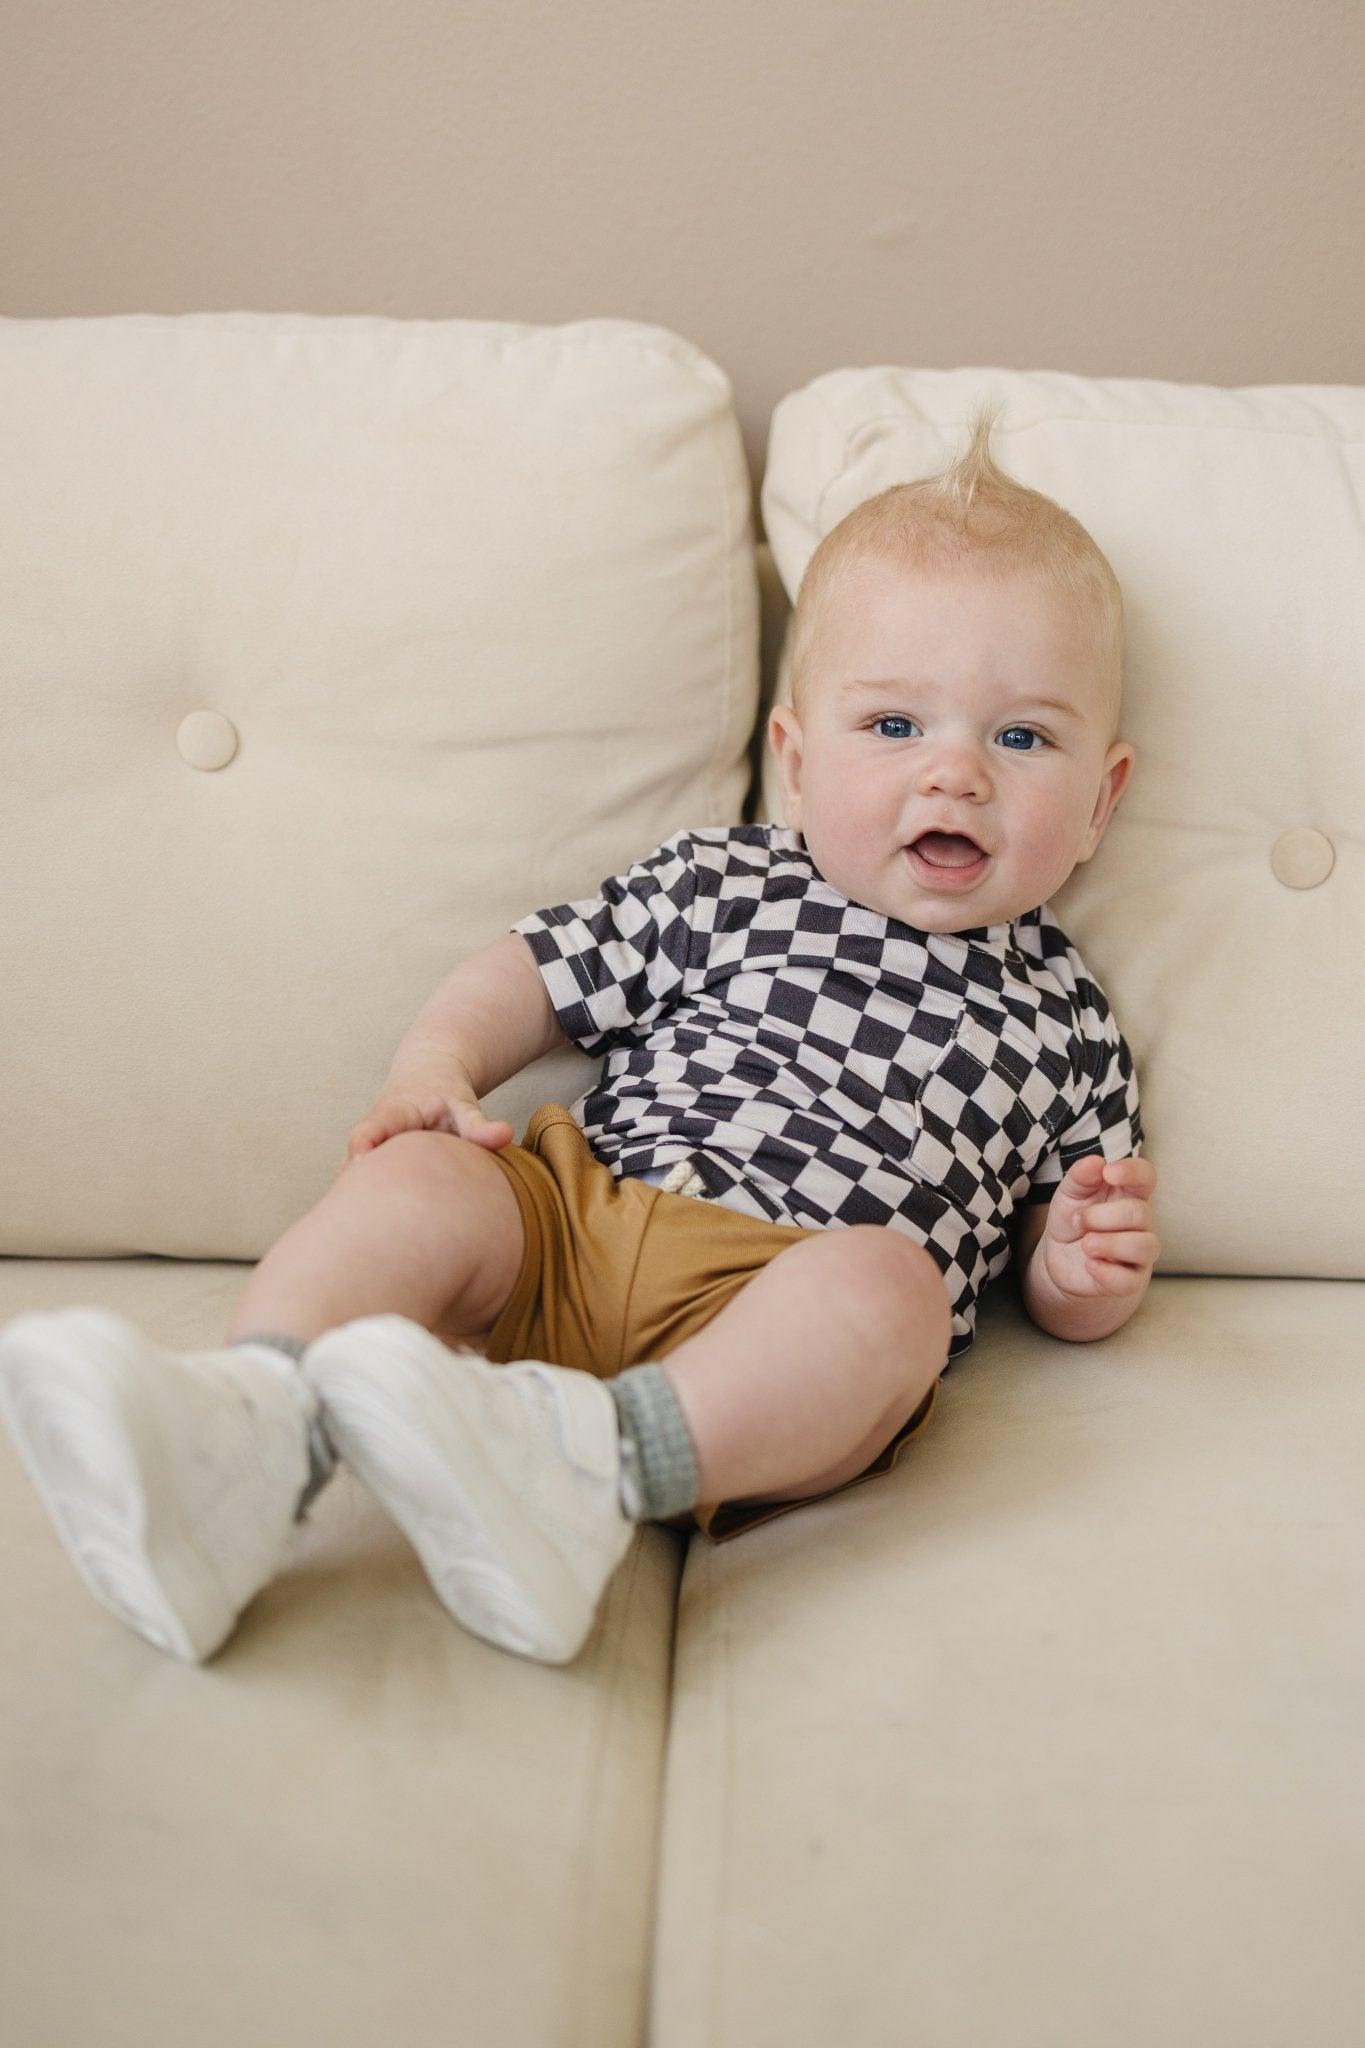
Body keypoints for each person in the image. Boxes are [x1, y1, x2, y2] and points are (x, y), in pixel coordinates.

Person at [0, 401, 1160, 1670]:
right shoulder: (729, 881)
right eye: (893, 725)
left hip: (774, 1310)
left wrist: (1078, 1274)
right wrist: (431, 1067)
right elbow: (539, 971)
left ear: (1101, 796)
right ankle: (248, 1425)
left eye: (1022, 737)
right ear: (794, 757)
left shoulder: (1070, 1022)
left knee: (891, 1290)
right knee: (424, 1175)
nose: (956, 775)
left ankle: (588, 1475)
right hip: (575, 1217)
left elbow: (1059, 1261)